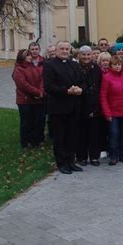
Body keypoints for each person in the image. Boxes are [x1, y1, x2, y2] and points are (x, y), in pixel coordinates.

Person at [43, 41, 85, 175]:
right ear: (56, 50)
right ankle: (61, 163)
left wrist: (80, 89)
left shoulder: (74, 64)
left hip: (74, 107)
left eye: (67, 49)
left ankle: (71, 161)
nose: (65, 51)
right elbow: (48, 86)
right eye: (62, 48)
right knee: (60, 137)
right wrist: (66, 91)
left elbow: (82, 81)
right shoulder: (49, 65)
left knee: (72, 136)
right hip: (58, 107)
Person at [12, 49, 45, 149]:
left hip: (37, 98)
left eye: (30, 55)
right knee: (26, 122)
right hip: (24, 100)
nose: (30, 57)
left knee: (38, 120)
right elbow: (22, 84)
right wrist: (36, 92)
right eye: (28, 56)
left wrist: (41, 91)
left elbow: (41, 79)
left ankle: (37, 140)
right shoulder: (18, 69)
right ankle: (25, 142)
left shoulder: (33, 67)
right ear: (22, 57)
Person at [76, 46, 102, 166]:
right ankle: (81, 157)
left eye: (88, 55)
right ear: (79, 56)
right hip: (80, 104)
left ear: (92, 55)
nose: (86, 57)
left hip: (94, 103)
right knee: (81, 133)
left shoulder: (96, 68)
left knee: (95, 133)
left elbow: (100, 84)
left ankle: (94, 156)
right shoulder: (75, 68)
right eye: (84, 55)